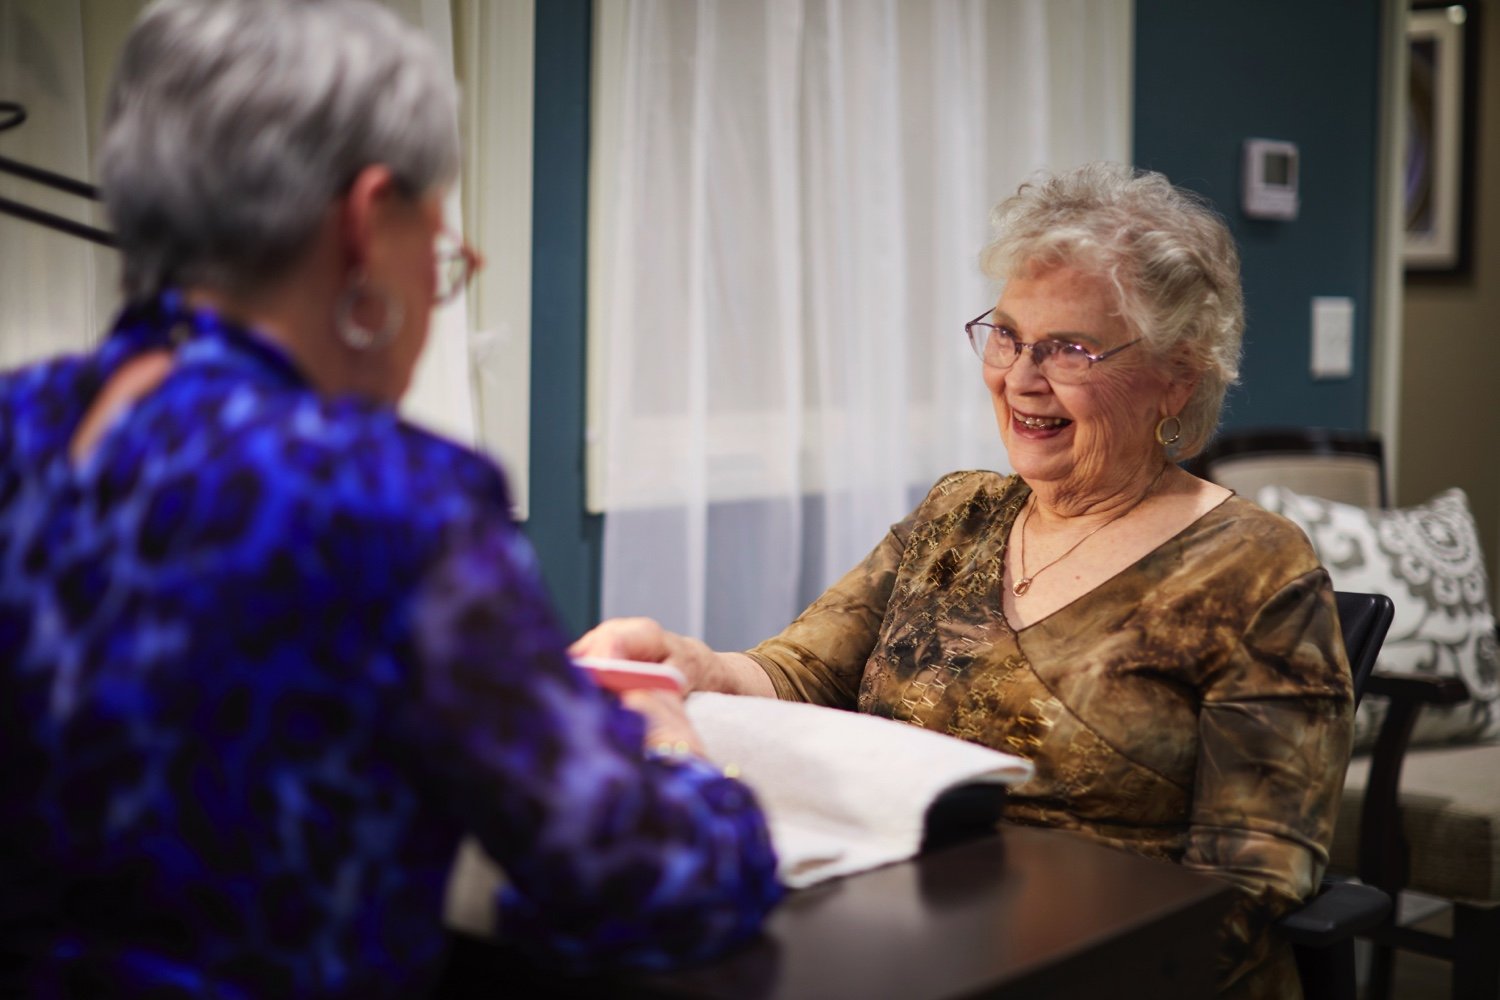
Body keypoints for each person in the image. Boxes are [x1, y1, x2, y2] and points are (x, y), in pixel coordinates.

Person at [0, 0, 780, 995]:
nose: (448, 264)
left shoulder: (18, 426)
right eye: (439, 229)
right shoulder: (392, 496)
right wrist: (680, 758)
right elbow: (634, 878)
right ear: (368, 223)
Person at [572, 162, 1353, 999]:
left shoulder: (1254, 568)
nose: (1019, 377)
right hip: (898, 943)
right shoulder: (957, 515)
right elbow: (805, 669)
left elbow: (1251, 883)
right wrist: (694, 666)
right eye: (1009, 335)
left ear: (1177, 378)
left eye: (1070, 349)